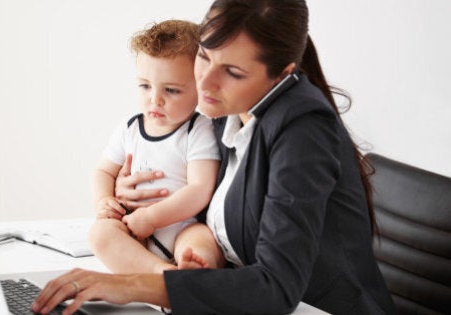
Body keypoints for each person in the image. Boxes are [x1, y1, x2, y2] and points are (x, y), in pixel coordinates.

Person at [33, 0, 396, 314]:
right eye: (204, 57)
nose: (204, 84)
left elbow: (277, 287)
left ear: (283, 74)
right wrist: (136, 187)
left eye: (232, 72)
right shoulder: (226, 111)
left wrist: (133, 285)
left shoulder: (303, 132)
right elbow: (210, 196)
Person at [89, 19, 224, 274]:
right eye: (145, 86)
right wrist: (104, 201)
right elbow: (102, 172)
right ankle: (160, 272)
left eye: (171, 90)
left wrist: (152, 218)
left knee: (202, 240)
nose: (155, 99)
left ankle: (191, 268)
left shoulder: (198, 129)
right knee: (100, 234)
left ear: (200, 87)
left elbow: (200, 189)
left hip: (182, 226)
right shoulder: (130, 128)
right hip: (133, 226)